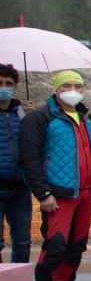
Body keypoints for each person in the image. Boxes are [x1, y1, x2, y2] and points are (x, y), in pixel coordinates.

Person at [18, 70, 91, 281]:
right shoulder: (39, 118)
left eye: (77, 86)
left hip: (85, 192)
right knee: (55, 244)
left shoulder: (87, 118)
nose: (72, 90)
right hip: (58, 194)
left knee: (77, 245)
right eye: (66, 86)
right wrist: (43, 193)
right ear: (56, 89)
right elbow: (29, 158)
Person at [0, 64, 32, 265]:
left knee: (22, 241)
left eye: (8, 83)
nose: (4, 87)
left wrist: (31, 118)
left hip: (21, 187)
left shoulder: (21, 113)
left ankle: (18, 280)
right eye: (0, 83)